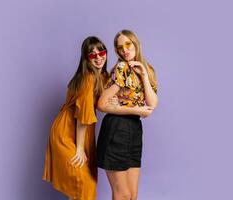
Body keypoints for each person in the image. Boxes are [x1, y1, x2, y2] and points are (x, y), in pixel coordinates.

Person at [42, 36, 110, 200]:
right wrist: (79, 148)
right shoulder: (88, 79)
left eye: (101, 52)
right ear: (87, 58)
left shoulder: (103, 76)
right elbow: (83, 117)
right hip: (67, 131)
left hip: (83, 133)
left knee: (81, 187)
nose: (98, 57)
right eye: (92, 55)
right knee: (83, 182)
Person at [96, 29, 158, 200]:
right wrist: (135, 110)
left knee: (132, 195)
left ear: (135, 43)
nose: (125, 50)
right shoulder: (122, 68)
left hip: (134, 129)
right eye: (120, 47)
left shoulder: (148, 69)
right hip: (117, 127)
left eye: (128, 44)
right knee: (122, 194)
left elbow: (152, 104)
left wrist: (144, 74)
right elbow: (101, 104)